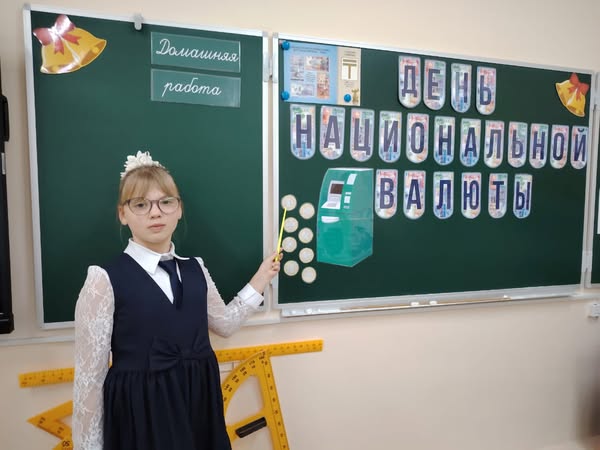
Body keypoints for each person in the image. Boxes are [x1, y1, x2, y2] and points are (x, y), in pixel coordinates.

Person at [73, 151, 282, 450]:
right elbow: (89, 382)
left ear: (179, 209)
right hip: (142, 412)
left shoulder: (196, 268)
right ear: (123, 214)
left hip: (198, 403)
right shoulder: (103, 279)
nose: (155, 213)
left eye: (166, 202)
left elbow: (224, 324)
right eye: (141, 204)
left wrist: (261, 278)